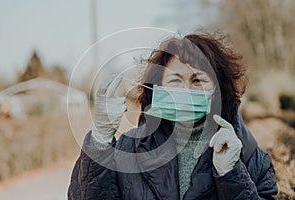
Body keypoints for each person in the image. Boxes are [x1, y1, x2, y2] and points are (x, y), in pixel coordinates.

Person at [68, 33, 278, 199]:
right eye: (175, 81)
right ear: (157, 88)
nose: (186, 90)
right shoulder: (127, 149)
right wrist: (100, 141)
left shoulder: (249, 155)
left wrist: (231, 174)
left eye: (197, 80)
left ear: (217, 90)